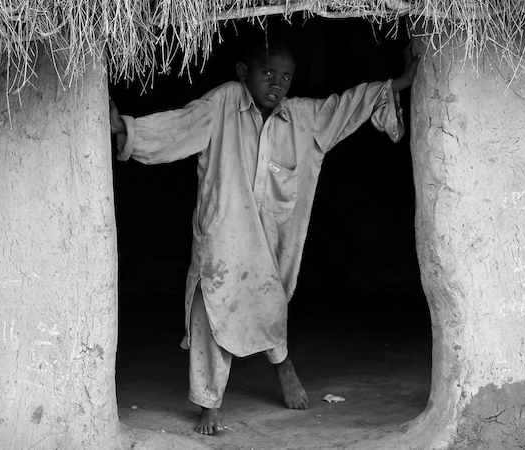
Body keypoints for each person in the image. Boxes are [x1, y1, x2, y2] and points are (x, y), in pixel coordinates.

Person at [110, 35, 420, 435]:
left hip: (272, 238)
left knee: (268, 301)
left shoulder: (301, 120)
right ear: (244, 72)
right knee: (211, 309)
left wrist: (399, 83)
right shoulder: (224, 103)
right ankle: (209, 401)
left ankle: (282, 364)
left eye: (286, 78)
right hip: (225, 233)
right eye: (267, 73)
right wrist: (126, 129)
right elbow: (179, 125)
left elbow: (345, 106)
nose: (277, 84)